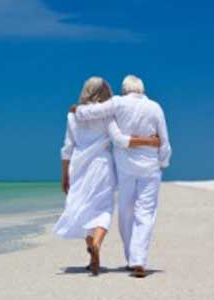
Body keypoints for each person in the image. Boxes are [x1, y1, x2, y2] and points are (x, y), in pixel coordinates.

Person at [53, 77, 161, 276]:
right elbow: (119, 139)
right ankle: (97, 242)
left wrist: (64, 175)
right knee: (103, 208)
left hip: (78, 166)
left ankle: (91, 252)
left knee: (84, 206)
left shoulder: (72, 116)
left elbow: (67, 148)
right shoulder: (107, 116)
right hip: (102, 166)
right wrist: (150, 141)